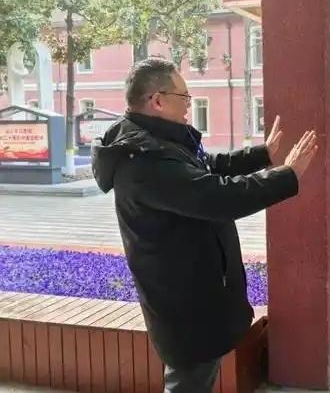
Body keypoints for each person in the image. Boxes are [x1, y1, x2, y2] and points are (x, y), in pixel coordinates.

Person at [92, 59, 318, 392]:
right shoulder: (145, 161)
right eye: (183, 96)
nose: (189, 103)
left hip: (193, 296)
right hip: (184, 305)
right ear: (157, 100)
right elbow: (218, 196)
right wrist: (288, 175)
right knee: (189, 382)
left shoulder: (159, 143)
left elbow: (206, 166)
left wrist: (262, 155)